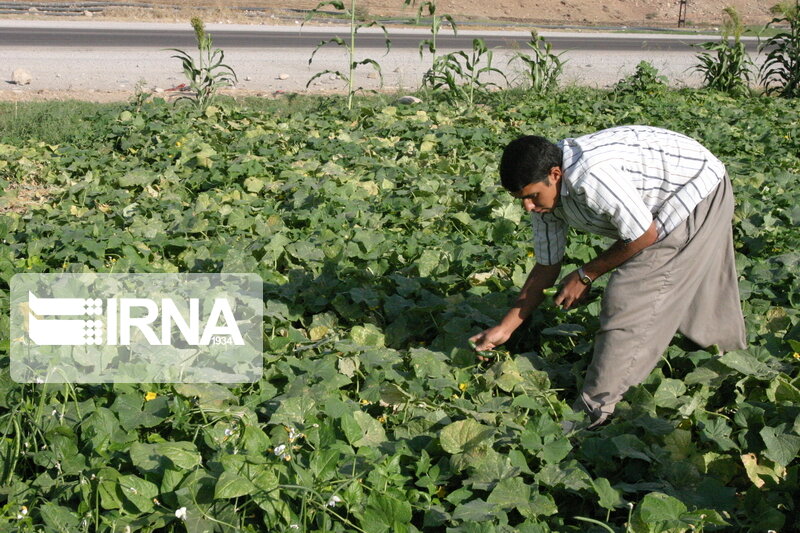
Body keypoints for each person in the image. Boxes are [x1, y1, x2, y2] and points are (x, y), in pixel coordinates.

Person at [469, 125, 747, 428]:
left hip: (693, 188)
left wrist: (586, 274)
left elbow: (642, 234)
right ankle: (728, 367)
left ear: (555, 175)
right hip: (682, 187)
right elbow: (546, 267)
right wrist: (506, 328)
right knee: (696, 286)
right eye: (521, 199)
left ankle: (595, 411)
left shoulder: (590, 174)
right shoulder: (545, 202)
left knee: (630, 296)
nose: (528, 206)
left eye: (533, 196)